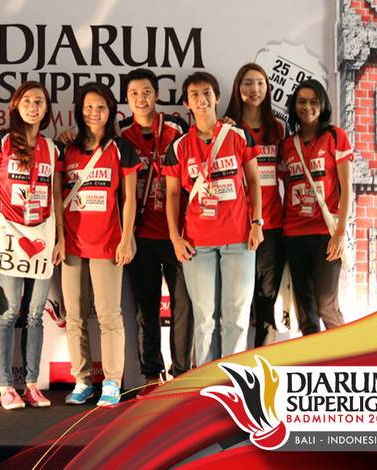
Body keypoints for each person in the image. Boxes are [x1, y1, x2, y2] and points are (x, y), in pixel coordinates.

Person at [163, 71, 263, 367]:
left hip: (239, 238)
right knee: (204, 318)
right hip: (198, 243)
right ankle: (207, 379)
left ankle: (232, 380)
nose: (201, 99)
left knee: (237, 317)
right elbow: (172, 195)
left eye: (207, 93)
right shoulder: (178, 147)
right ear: (186, 103)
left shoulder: (239, 136)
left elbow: (254, 182)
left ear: (217, 97)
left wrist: (257, 223)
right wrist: (175, 237)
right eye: (194, 95)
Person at [0, 81, 64, 410]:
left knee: (34, 315)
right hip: (8, 233)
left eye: (39, 101)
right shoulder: (0, 141)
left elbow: (56, 196)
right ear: (15, 105)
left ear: (46, 109)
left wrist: (60, 238)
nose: (33, 106)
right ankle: (5, 386)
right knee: (9, 311)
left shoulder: (52, 148)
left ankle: (31, 384)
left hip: (42, 235)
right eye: (27, 100)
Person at [62, 82, 139, 407]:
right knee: (75, 316)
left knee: (109, 316)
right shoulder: (66, 147)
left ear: (111, 112)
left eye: (101, 107)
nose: (94, 113)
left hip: (108, 243)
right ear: (80, 111)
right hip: (71, 245)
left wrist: (126, 238)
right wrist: (59, 240)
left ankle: (111, 381)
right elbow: (56, 194)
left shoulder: (121, 148)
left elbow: (130, 197)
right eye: (88, 107)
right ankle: (82, 380)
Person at [118, 68, 193, 396]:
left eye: (146, 92)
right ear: (127, 98)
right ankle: (152, 375)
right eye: (134, 93)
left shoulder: (176, 128)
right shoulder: (122, 134)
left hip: (178, 234)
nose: (141, 98)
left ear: (157, 95)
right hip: (141, 235)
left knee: (182, 307)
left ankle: (181, 373)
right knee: (145, 309)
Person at [280, 79, 351, 334]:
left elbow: (347, 189)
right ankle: (315, 358)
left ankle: (347, 355)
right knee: (306, 312)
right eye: (301, 101)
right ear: (293, 106)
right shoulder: (287, 145)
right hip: (294, 234)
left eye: (313, 101)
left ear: (322, 104)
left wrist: (340, 233)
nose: (307, 107)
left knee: (326, 305)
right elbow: (285, 186)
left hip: (325, 233)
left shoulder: (335, 136)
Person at [224, 63, 286, 347]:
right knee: (239, 298)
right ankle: (235, 357)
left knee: (267, 297)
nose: (254, 89)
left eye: (260, 83)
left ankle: (263, 352)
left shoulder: (278, 128)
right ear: (238, 88)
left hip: (272, 222)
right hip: (238, 223)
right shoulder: (228, 127)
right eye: (248, 83)